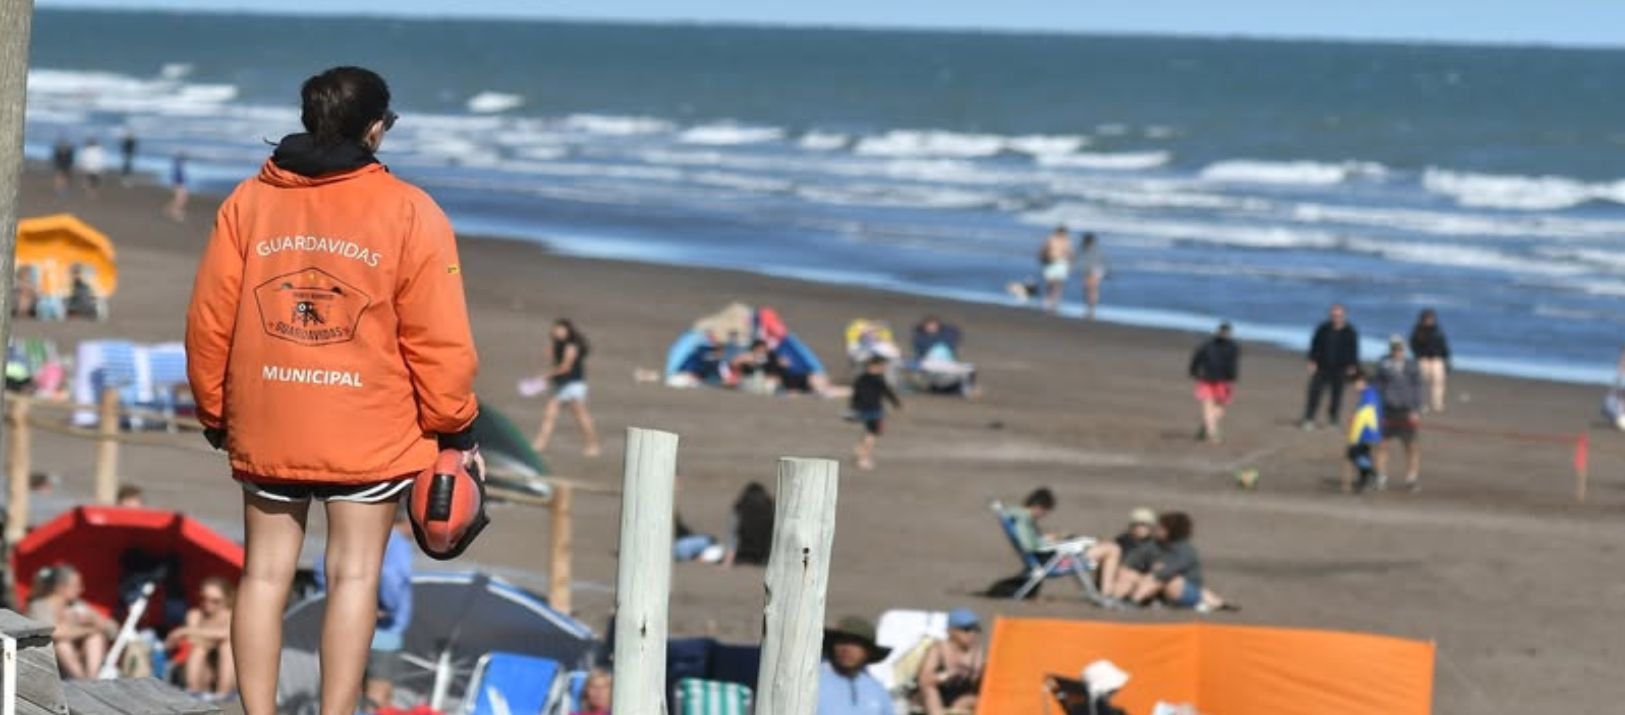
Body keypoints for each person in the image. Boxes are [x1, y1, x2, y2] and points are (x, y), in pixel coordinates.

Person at [185, 66, 481, 715]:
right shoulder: (409, 210)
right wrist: (453, 421)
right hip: (367, 424)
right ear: (376, 128)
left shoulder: (248, 201)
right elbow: (438, 338)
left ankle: (255, 710)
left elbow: (210, 317)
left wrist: (214, 409)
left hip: (268, 415)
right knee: (353, 575)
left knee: (262, 573)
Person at [316, 503, 415, 710]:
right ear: (408, 520)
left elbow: (321, 566)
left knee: (344, 690)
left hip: (346, 627)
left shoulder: (364, 536)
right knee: (378, 694)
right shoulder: (398, 543)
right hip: (384, 633)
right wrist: (386, 605)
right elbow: (391, 578)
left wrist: (338, 600)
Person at [1002, 488, 1125, 597]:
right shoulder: (1023, 520)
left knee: (1097, 544)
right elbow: (1030, 545)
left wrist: (1048, 539)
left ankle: (1106, 589)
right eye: (1045, 512)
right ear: (1038, 507)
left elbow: (1031, 542)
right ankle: (1107, 593)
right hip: (1056, 561)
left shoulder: (1018, 517)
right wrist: (1050, 543)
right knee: (1112, 549)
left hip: (1049, 558)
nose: (1044, 516)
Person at [1122, 512, 1234, 612]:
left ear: (1171, 530)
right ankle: (1117, 598)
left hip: (1183, 590)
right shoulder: (1154, 545)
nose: (1156, 529)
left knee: (1165, 578)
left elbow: (1167, 571)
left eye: (1161, 527)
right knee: (1131, 574)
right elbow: (1133, 559)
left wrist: (1154, 572)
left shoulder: (1186, 550)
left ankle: (1134, 602)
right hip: (1164, 588)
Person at [28, 565, 115, 679]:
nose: (81, 590)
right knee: (61, 644)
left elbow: (113, 629)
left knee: (95, 637)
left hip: (80, 659)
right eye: (76, 586)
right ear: (61, 587)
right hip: (48, 661)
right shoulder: (39, 607)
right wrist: (88, 630)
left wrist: (95, 620)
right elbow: (54, 633)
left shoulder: (77, 606)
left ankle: (91, 680)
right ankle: (82, 682)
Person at [532, 319, 602, 457]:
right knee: (549, 415)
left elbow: (566, 367)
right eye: (556, 329)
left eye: (560, 329)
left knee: (581, 416)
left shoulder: (571, 345)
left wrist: (545, 376)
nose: (557, 332)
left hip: (574, 385)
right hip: (560, 385)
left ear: (567, 330)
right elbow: (552, 358)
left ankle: (593, 445)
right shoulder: (558, 344)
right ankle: (540, 444)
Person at [164, 577, 236, 698]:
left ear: (227, 600)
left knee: (226, 646)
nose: (207, 603)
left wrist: (183, 630)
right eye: (204, 598)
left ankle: (222, 695)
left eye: (215, 601)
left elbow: (228, 634)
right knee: (199, 648)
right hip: (198, 667)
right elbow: (192, 640)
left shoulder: (232, 615)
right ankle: (195, 692)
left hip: (226, 668)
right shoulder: (195, 615)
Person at [1375, 336, 1424, 492]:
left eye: (1400, 348)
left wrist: (1416, 410)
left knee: (1411, 446)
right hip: (1388, 410)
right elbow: (1377, 387)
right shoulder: (1383, 365)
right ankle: (1381, 477)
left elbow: (1417, 388)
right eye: (1394, 348)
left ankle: (1411, 478)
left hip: (1406, 411)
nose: (1397, 351)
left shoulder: (1412, 365)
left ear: (1404, 349)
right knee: (1382, 445)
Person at [818, 616, 892, 715]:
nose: (847, 648)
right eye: (842, 641)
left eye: (856, 643)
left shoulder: (877, 689)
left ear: (868, 652)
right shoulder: (814, 682)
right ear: (832, 647)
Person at [916, 608, 984, 715]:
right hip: (939, 695)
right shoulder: (939, 649)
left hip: (963, 697)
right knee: (929, 689)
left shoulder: (976, 652)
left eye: (975, 630)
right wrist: (948, 674)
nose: (971, 634)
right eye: (966, 629)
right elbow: (924, 679)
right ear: (951, 631)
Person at [1302, 304, 1359, 429]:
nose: (1336, 318)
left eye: (1339, 316)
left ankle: (1333, 420)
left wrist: (1353, 365)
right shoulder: (1323, 329)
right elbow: (1314, 345)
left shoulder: (1350, 331)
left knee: (1337, 396)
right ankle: (1309, 419)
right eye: (1333, 315)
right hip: (1322, 366)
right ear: (1330, 316)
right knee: (1314, 393)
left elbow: (1353, 350)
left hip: (1340, 368)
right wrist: (1312, 361)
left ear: (1344, 316)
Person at [1189, 322, 1239, 444]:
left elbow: (1233, 365)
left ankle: (1206, 426)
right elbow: (1196, 358)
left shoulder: (1233, 347)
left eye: (1226, 333)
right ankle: (1212, 433)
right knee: (1208, 405)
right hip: (1207, 379)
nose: (1224, 334)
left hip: (1222, 380)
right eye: (1222, 332)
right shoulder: (1207, 345)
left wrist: (1231, 378)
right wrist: (1194, 371)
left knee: (1220, 408)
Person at [849, 356, 901, 470]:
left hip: (862, 409)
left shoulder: (860, 378)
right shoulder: (878, 379)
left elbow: (855, 395)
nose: (884, 368)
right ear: (875, 366)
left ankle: (859, 450)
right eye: (882, 366)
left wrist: (854, 407)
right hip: (874, 410)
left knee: (868, 431)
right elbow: (888, 392)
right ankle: (863, 458)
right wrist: (896, 403)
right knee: (872, 434)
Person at [1344, 368, 1382, 493]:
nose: (1354, 386)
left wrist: (1354, 436)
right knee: (1362, 454)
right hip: (1370, 431)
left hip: (1366, 432)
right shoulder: (1370, 393)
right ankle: (1365, 479)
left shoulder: (1368, 395)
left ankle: (1371, 475)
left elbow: (1364, 417)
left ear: (1362, 382)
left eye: (1356, 383)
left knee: (1355, 454)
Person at [723, 481, 774, 567]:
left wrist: (727, 562)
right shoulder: (771, 508)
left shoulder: (739, 508)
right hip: (765, 557)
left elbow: (733, 536)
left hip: (743, 555)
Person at [1409, 309, 1451, 413]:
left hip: (1437, 359)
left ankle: (1437, 404)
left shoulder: (1438, 330)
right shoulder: (1418, 330)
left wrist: (1446, 360)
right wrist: (1419, 356)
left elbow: (1443, 346)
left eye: (1431, 318)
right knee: (1422, 382)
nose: (1429, 321)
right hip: (1423, 359)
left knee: (1438, 382)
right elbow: (1413, 345)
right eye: (1428, 318)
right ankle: (1421, 403)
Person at [1037, 226, 1073, 313]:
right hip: (1051, 262)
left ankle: (1055, 301)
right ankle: (1049, 299)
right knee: (1050, 282)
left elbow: (1070, 253)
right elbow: (1043, 249)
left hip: (1061, 263)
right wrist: (1043, 257)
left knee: (1058, 284)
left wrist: (1070, 264)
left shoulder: (1067, 240)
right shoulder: (1051, 239)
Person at [1077, 232, 1106, 320]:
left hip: (1092, 270)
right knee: (1091, 289)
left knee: (1089, 289)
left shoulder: (1086, 248)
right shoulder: (1096, 248)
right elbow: (1103, 260)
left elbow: (1086, 261)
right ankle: (1091, 309)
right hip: (1096, 270)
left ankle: (1090, 309)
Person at [167, 152, 191, 222]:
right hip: (179, 184)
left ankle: (169, 210)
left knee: (181, 199)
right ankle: (175, 212)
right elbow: (177, 177)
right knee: (180, 199)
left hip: (179, 184)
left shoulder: (178, 166)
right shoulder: (178, 166)